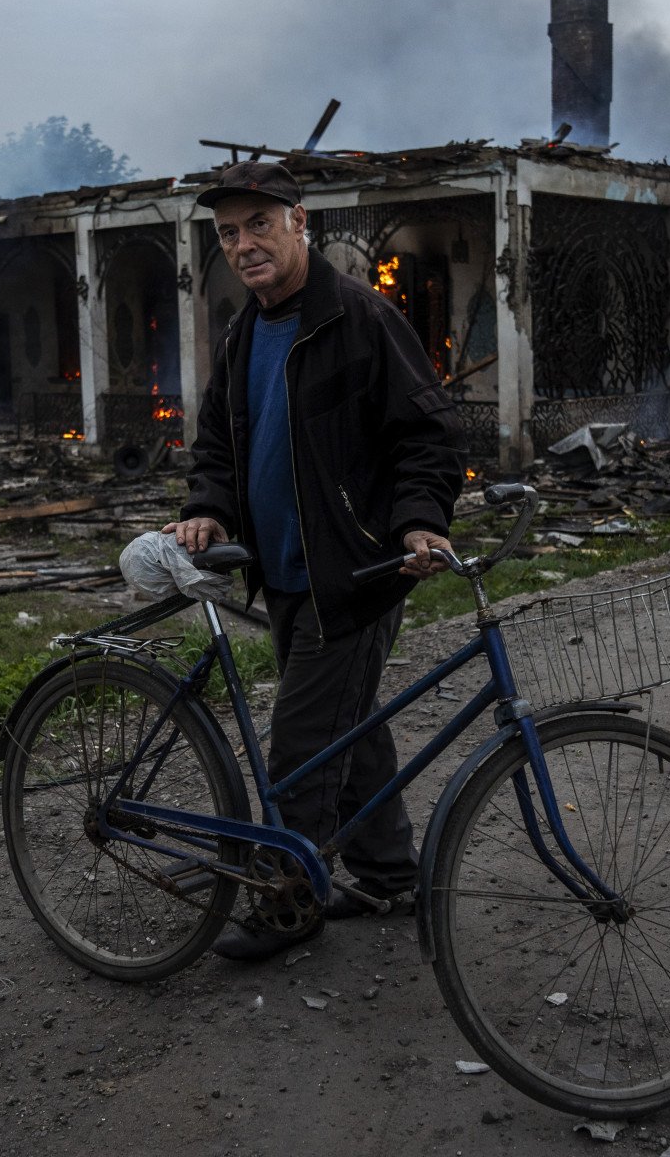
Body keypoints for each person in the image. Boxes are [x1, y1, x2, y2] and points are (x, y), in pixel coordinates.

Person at [164, 160, 465, 962]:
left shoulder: (360, 320)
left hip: (357, 577)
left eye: (259, 224)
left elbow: (427, 438)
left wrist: (418, 524)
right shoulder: (239, 336)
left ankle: (286, 902)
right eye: (228, 233)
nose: (243, 244)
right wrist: (205, 506)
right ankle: (388, 872)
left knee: (302, 743)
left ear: (300, 222)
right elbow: (219, 448)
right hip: (283, 574)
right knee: (349, 728)